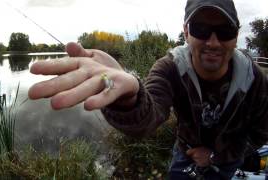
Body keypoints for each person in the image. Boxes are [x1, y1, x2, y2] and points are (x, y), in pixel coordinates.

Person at [28, 0, 268, 179]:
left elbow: (261, 132)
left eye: (224, 31)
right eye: (201, 29)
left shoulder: (253, 78)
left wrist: (216, 156)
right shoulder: (170, 68)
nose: (213, 42)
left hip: (227, 161)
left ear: (236, 35)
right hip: (185, 154)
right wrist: (127, 98)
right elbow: (149, 116)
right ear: (186, 32)